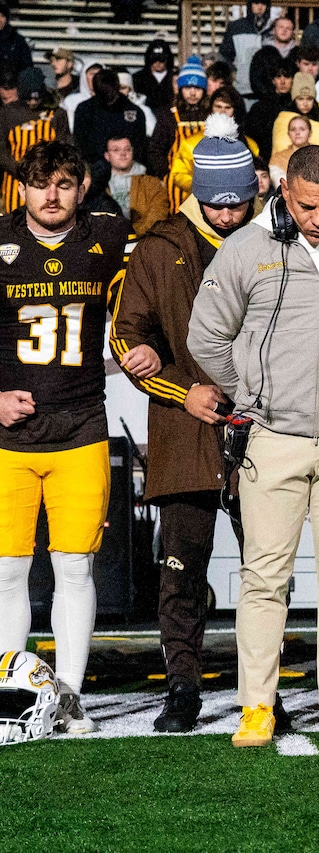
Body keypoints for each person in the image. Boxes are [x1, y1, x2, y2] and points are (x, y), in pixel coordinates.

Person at [188, 144, 319, 748]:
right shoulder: (247, 250)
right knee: (264, 577)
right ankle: (256, 704)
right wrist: (247, 391)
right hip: (273, 435)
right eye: (307, 206)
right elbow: (205, 334)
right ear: (285, 194)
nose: (317, 218)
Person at [108, 119, 262, 733]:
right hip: (184, 430)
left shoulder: (274, 240)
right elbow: (128, 336)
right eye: (217, 201)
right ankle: (182, 688)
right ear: (197, 190)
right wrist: (177, 386)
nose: (228, 214)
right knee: (182, 570)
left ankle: (261, 687)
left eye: (239, 201)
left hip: (264, 426)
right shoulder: (157, 245)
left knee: (266, 568)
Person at [0, 140, 132, 735]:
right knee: (7, 570)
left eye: (63, 183)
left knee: (75, 565)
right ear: (21, 188)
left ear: (82, 188)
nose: (50, 195)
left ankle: (70, 695)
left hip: (81, 427)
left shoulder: (105, 236)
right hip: (11, 439)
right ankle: (13, 684)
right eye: (38, 183)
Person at [0, 68, 69, 214]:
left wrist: (46, 173)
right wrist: (22, 171)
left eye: (37, 98)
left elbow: (64, 146)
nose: (33, 102)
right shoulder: (7, 113)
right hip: (15, 180)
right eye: (28, 98)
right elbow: (2, 151)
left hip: (50, 179)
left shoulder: (56, 113)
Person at [151, 56, 210, 214]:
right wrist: (166, 175)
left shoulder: (210, 116)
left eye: (197, 88)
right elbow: (156, 150)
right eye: (187, 88)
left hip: (206, 179)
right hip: (176, 183)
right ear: (180, 89)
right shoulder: (169, 116)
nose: (192, 93)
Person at [73, 68, 149, 173]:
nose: (108, 96)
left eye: (110, 91)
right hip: (95, 169)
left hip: (127, 169)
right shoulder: (85, 110)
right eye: (103, 92)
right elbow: (81, 145)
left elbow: (139, 146)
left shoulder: (133, 111)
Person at [101, 134, 168, 236]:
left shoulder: (152, 184)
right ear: (107, 156)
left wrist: (131, 234)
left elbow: (157, 215)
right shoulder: (99, 185)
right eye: (116, 150)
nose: (123, 154)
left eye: (127, 149)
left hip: (142, 240)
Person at [271, 72, 319, 154]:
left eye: (309, 99)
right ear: (294, 100)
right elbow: (281, 149)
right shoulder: (283, 121)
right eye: (300, 99)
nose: (305, 103)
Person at [220, 0, 272, 97]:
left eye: (263, 3)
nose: (260, 7)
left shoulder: (273, 28)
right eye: (256, 3)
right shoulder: (236, 27)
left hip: (267, 91)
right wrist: (233, 74)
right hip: (240, 88)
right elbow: (225, 55)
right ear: (250, 5)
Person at [250, 15, 298, 100]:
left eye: (288, 28)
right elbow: (256, 80)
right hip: (267, 102)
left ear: (292, 32)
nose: (284, 30)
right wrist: (271, 94)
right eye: (281, 27)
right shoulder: (262, 54)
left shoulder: (298, 54)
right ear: (273, 30)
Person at [269, 114, 310, 187]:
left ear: (310, 132)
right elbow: (280, 184)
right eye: (293, 129)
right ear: (288, 134)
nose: (297, 133)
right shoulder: (278, 158)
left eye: (302, 129)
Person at [135, 39, 176, 113]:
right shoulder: (138, 79)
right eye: (154, 59)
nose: (158, 63)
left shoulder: (175, 78)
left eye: (161, 59)